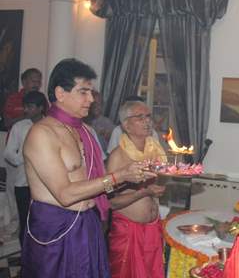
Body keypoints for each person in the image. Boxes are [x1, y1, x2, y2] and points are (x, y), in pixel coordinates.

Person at [21, 58, 157, 277]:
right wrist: (119, 175)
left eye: (91, 92)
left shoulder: (84, 130)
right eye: (83, 92)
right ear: (60, 93)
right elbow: (65, 194)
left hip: (87, 224)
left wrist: (132, 173)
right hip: (56, 230)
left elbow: (95, 180)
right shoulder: (42, 133)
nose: (91, 99)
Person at [107, 100, 167, 278]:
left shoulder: (155, 150)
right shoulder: (118, 156)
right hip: (128, 231)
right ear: (126, 125)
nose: (147, 121)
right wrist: (144, 192)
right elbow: (110, 202)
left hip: (153, 227)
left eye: (148, 116)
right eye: (140, 117)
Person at [4, 91, 48, 246]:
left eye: (30, 107)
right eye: (25, 107)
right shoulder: (19, 126)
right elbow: (8, 153)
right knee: (25, 221)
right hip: (23, 183)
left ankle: (40, 258)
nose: (26, 110)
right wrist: (25, 159)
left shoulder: (50, 125)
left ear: (41, 108)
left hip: (46, 184)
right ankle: (25, 259)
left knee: (42, 222)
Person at [84, 90, 115, 154]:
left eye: (99, 104)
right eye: (94, 103)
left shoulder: (107, 123)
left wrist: (108, 136)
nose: (96, 106)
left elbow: (114, 143)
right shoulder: (81, 121)